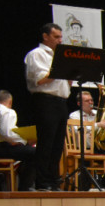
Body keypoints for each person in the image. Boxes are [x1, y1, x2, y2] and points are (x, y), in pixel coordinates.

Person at [24, 22, 71, 191]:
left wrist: (70, 74)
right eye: (56, 37)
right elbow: (41, 79)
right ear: (45, 36)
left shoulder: (58, 56)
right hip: (45, 101)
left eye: (61, 37)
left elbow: (65, 84)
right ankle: (42, 182)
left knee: (58, 144)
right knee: (46, 142)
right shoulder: (37, 54)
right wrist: (62, 68)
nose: (60, 40)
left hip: (61, 102)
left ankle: (53, 180)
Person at [0, 90, 36, 190]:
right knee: (35, 152)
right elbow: (7, 133)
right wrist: (25, 141)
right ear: (10, 102)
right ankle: (25, 187)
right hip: (0, 148)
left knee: (27, 152)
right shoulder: (7, 111)